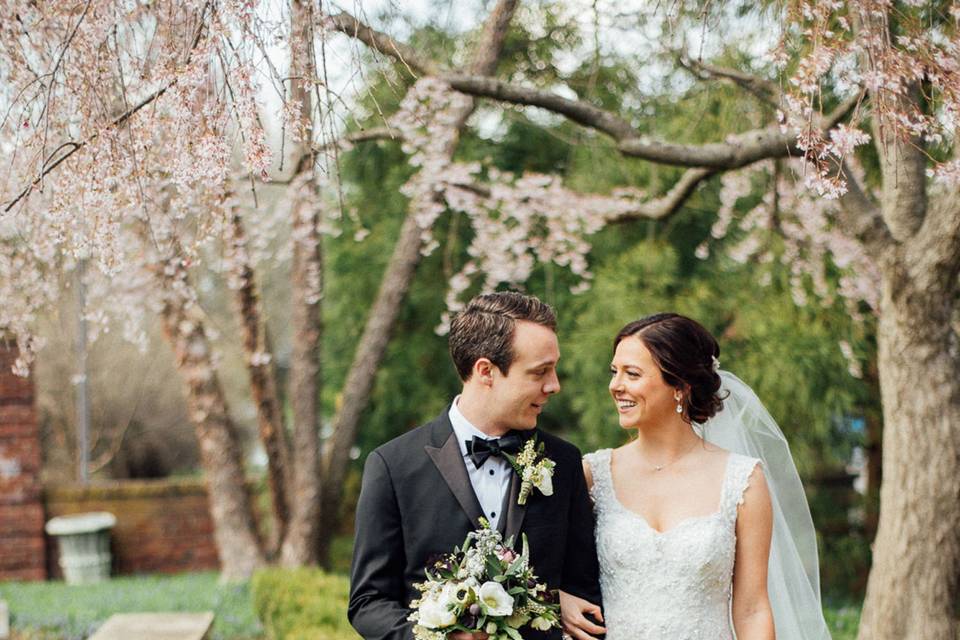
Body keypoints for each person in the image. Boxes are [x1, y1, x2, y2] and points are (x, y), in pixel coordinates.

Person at [348, 291, 604, 640]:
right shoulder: (392, 466)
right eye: (540, 371)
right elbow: (368, 601)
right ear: (486, 371)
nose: (554, 385)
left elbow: (584, 585)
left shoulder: (564, 461)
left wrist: (557, 601)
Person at [563, 313, 831, 640]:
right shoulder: (593, 475)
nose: (615, 386)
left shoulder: (743, 480)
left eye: (631, 374)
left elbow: (752, 609)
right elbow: (549, 567)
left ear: (680, 387)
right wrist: (560, 599)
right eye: (614, 372)